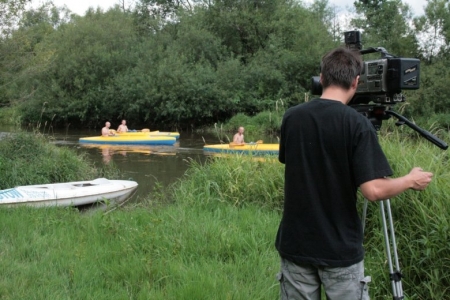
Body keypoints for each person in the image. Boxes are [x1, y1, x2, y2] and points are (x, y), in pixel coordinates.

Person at [275, 47, 433, 300]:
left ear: (322, 78)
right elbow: (374, 190)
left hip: (295, 245)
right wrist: (410, 180)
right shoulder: (357, 124)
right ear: (356, 82)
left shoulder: (292, 117)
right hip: (339, 250)